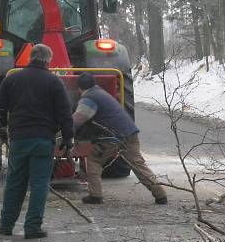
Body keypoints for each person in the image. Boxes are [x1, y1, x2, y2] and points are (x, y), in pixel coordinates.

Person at [0, 44, 74, 238]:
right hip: (43, 140)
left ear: (30, 57)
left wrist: (1, 130)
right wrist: (68, 138)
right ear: (48, 60)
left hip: (19, 139)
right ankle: (32, 227)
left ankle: (6, 225)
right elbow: (65, 113)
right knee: (39, 184)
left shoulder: (12, 79)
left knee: (14, 182)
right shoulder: (54, 82)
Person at [72, 72, 168, 205]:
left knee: (94, 161)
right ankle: (160, 194)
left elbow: (77, 120)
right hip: (130, 133)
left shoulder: (89, 98)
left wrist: (63, 129)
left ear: (79, 88)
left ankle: (95, 196)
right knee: (138, 165)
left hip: (112, 136)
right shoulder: (101, 93)